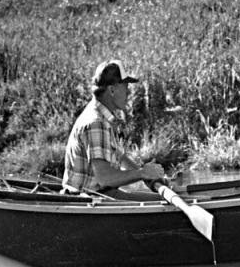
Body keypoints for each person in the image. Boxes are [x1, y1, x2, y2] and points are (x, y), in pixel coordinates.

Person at [62, 60, 165, 199]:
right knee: (161, 202)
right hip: (90, 199)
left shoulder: (104, 117)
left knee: (157, 198)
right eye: (125, 87)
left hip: (101, 195)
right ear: (111, 90)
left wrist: (151, 178)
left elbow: (121, 157)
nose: (128, 93)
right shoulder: (96, 123)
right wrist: (142, 173)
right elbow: (105, 178)